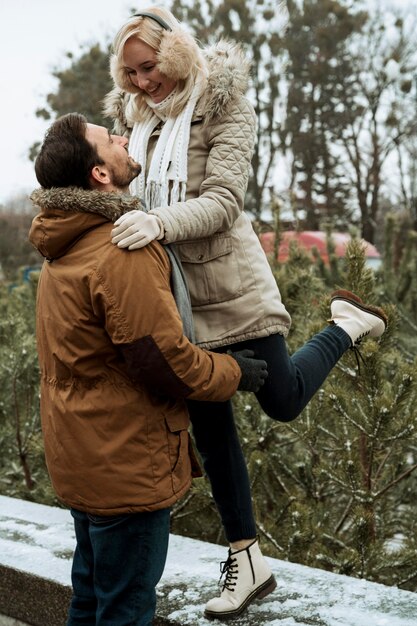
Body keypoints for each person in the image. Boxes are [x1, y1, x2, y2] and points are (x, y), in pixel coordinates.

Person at [103, 7, 388, 620]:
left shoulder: (224, 102)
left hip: (229, 282)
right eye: (130, 74)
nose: (142, 83)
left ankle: (345, 322)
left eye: (149, 67)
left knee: (282, 400)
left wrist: (156, 222)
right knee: (211, 421)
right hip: (174, 293)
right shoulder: (140, 122)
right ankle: (247, 558)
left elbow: (226, 201)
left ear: (175, 52)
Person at [28, 112, 269, 626]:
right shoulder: (120, 251)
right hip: (125, 468)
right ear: (99, 173)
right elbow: (164, 363)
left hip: (84, 460)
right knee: (125, 611)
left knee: (90, 601)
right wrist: (234, 371)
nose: (120, 135)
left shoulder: (60, 252)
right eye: (107, 137)